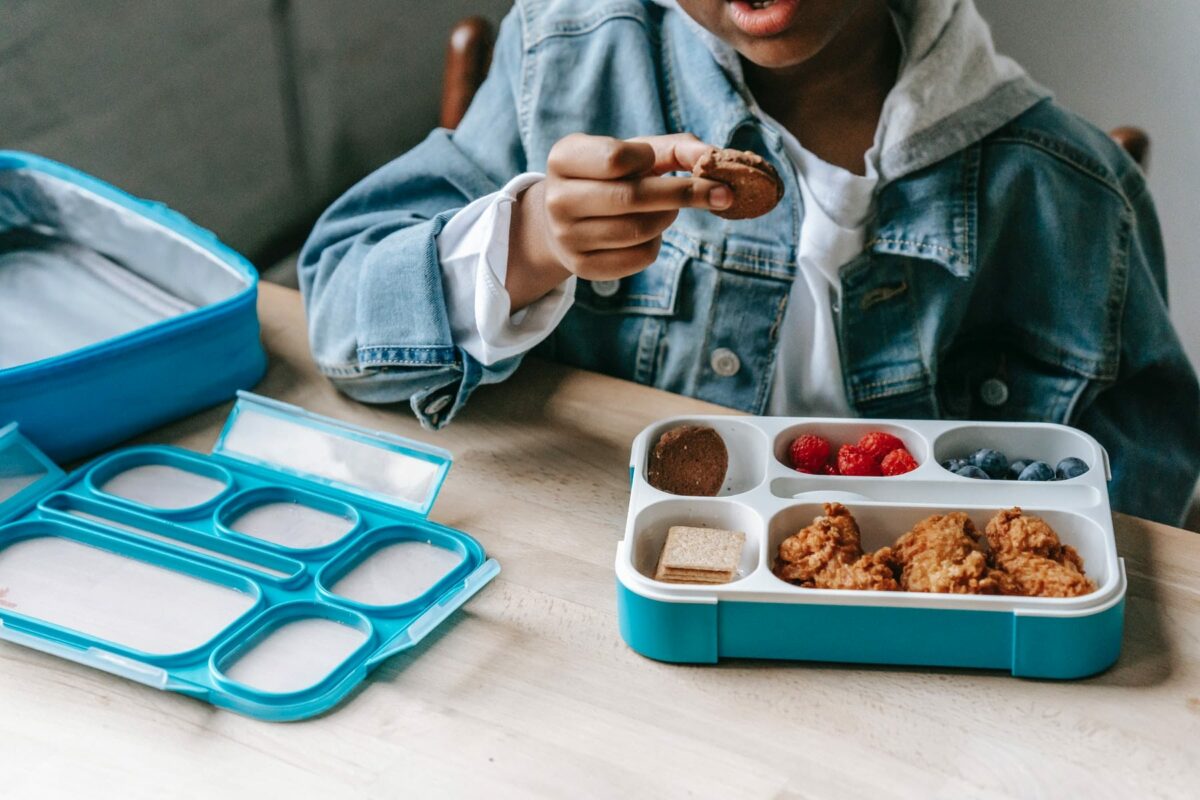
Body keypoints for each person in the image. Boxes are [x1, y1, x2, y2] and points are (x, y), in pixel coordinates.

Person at [298, 0, 1200, 525]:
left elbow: (1153, 498)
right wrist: (527, 241)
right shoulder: (568, 61)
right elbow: (338, 317)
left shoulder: (1068, 192)